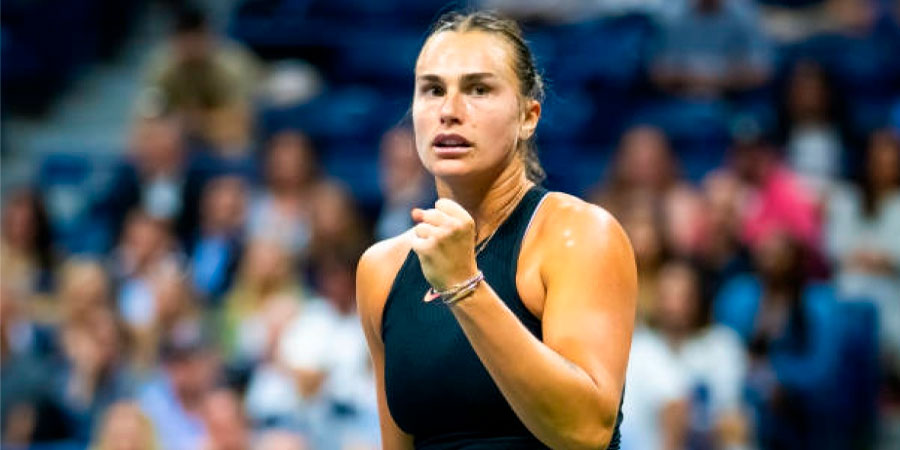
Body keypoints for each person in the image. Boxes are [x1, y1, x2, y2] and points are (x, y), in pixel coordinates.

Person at [356, 11, 637, 449]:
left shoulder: (579, 236)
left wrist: (464, 286)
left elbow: (585, 432)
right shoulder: (381, 269)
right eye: (432, 89)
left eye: (478, 89)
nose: (449, 111)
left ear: (528, 116)